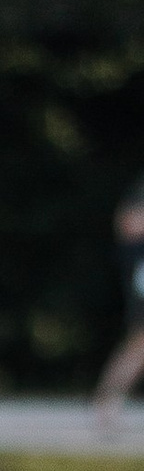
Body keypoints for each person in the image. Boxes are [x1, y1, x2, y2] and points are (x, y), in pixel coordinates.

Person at [92, 170, 144, 419]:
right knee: (138, 345)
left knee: (138, 346)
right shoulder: (137, 197)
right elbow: (128, 226)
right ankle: (106, 400)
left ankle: (106, 399)